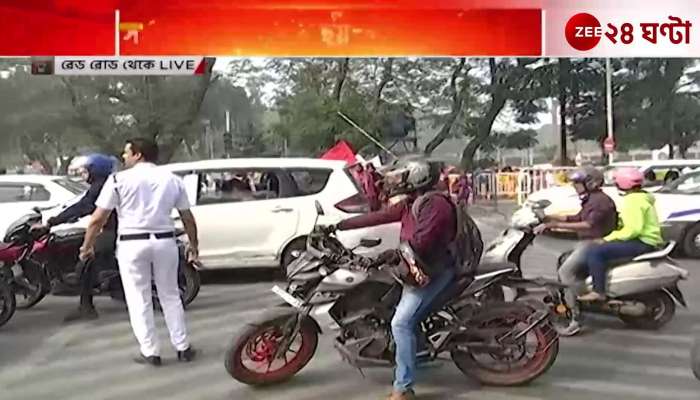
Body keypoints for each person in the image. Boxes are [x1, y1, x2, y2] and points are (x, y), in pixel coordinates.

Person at [331, 160, 457, 400]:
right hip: (414, 265)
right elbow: (380, 216)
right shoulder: (414, 202)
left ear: (418, 179)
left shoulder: (436, 206)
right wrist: (339, 225)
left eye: (404, 176)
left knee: (401, 323)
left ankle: (403, 387)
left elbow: (422, 243)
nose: (396, 180)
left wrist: (390, 254)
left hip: (433, 270)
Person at [79, 138, 199, 366]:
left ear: (138, 154)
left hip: (132, 244)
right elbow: (188, 219)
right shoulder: (173, 180)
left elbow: (97, 219)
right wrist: (194, 246)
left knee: (138, 298)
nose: (123, 157)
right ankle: (182, 347)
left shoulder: (118, 180)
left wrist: (87, 246)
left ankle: (150, 351)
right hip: (165, 242)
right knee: (170, 295)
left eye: (126, 153)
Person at [534, 167, 617, 335]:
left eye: (577, 183)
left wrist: (554, 225)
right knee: (562, 260)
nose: (574, 186)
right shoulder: (591, 199)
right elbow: (578, 217)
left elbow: (588, 224)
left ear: (590, 183)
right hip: (586, 242)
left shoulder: (600, 201)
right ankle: (573, 300)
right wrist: (550, 217)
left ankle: (576, 318)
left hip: (593, 243)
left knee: (566, 273)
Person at [45, 154, 119, 322]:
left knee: (86, 261)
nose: (83, 174)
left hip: (115, 231)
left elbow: (84, 206)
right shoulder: (103, 184)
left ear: (95, 171)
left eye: (86, 171)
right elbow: (81, 205)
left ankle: (86, 306)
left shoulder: (100, 186)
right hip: (115, 228)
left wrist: (53, 221)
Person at [580, 167, 664, 302]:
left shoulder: (633, 201)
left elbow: (632, 230)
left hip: (642, 241)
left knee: (596, 252)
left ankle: (598, 291)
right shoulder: (642, 197)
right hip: (645, 240)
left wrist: (606, 239)